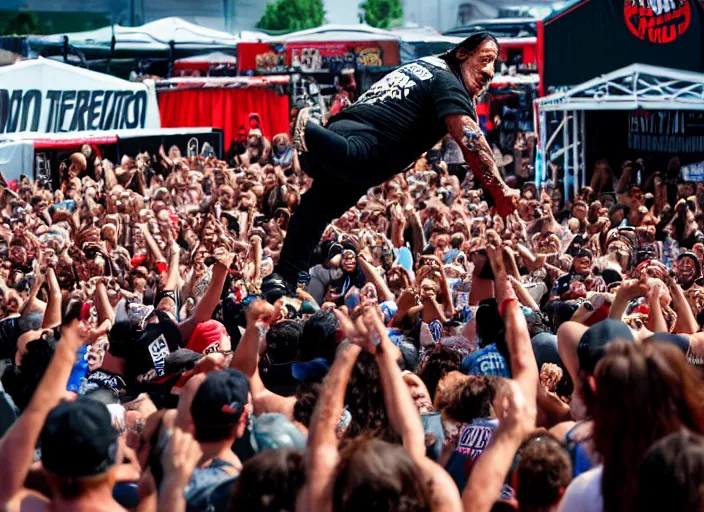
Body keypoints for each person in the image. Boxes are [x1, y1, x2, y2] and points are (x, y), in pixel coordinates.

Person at [266, 32, 519, 296]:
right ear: (462, 54)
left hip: (341, 139)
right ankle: (308, 129)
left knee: (314, 212)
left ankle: (283, 279)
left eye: (494, 65)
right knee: (364, 155)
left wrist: (490, 195)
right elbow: (471, 139)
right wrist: (500, 191)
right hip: (361, 144)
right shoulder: (449, 81)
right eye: (486, 59)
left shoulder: (426, 65)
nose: (489, 71)